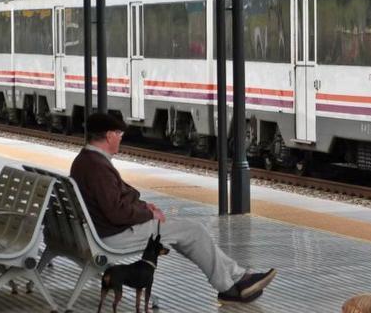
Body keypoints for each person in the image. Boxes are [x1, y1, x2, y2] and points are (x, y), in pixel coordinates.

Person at [70, 113, 276, 303]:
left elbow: (112, 202)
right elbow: (116, 212)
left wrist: (143, 206)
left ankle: (236, 279)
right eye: (119, 134)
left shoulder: (85, 160)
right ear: (109, 136)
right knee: (193, 231)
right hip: (113, 236)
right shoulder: (97, 167)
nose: (120, 139)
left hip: (100, 231)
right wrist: (148, 213)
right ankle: (231, 285)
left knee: (185, 232)